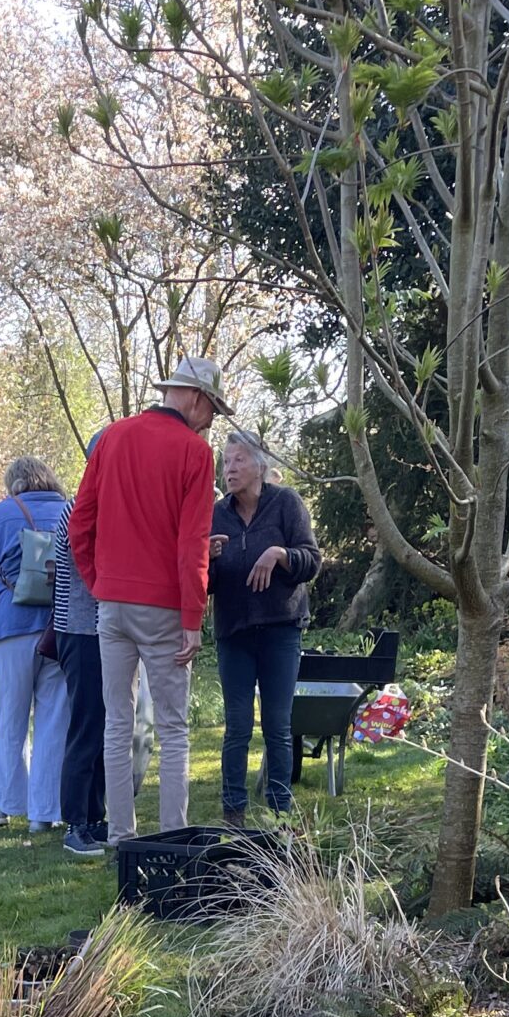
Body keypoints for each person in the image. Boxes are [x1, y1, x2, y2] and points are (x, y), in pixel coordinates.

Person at [66, 355, 227, 839]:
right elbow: (192, 541)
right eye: (214, 409)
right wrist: (193, 617)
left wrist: (99, 582)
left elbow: (80, 523)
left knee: (117, 722)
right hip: (163, 606)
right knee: (173, 726)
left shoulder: (113, 436)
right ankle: (172, 834)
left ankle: (121, 835)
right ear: (196, 398)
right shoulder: (194, 453)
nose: (213, 419)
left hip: (111, 604)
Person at [209, 428, 322, 823]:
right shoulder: (216, 514)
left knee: (277, 725)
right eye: (226, 461)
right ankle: (234, 815)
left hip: (280, 629)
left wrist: (278, 554)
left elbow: (311, 561)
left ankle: (280, 815)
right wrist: (204, 559)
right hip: (234, 633)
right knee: (237, 726)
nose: (230, 468)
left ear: (260, 465)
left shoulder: (286, 504)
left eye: (239, 459)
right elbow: (200, 584)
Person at [0, 457, 71, 834]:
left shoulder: (1, 515)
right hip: (60, 627)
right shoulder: (70, 511)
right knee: (54, 719)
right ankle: (46, 810)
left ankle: (6, 804)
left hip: (11, 627)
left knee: (10, 717)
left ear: (15, 483)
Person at [51, 436, 109, 858]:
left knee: (106, 727)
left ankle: (97, 817)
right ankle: (76, 822)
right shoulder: (82, 508)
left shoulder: (95, 504)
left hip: (97, 628)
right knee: (88, 726)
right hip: (82, 629)